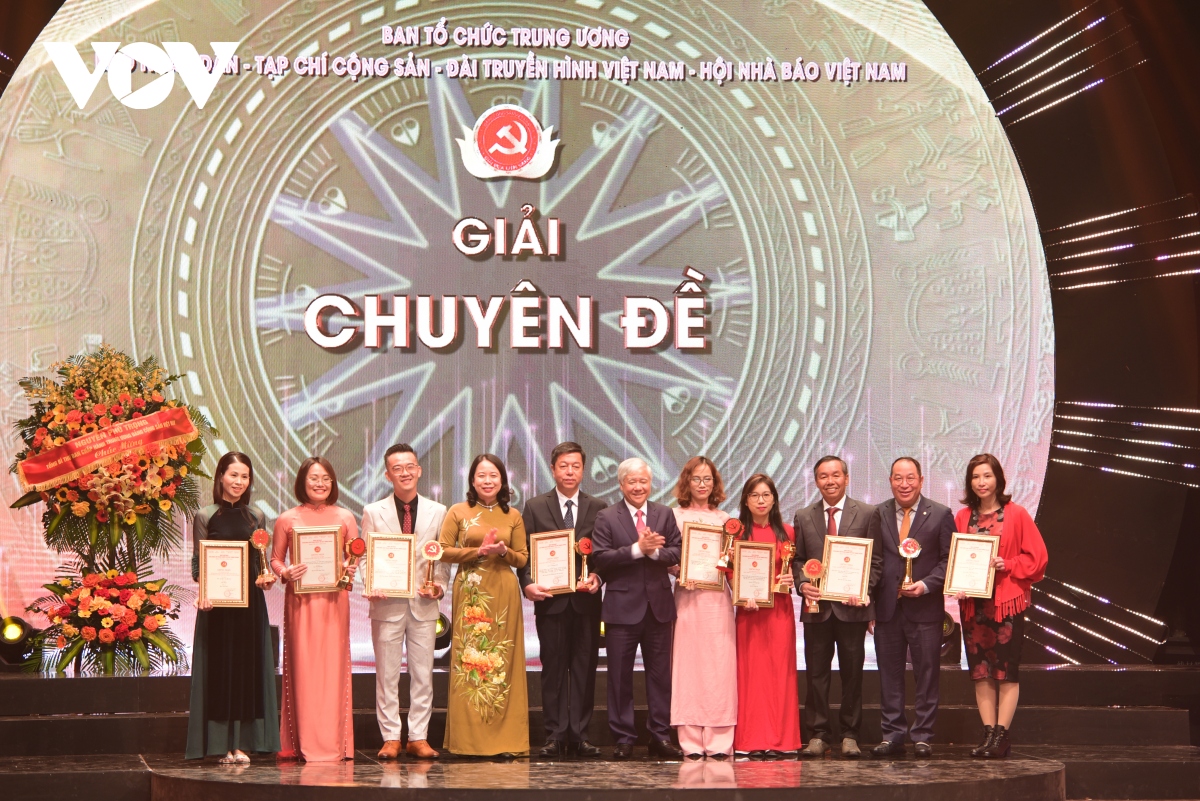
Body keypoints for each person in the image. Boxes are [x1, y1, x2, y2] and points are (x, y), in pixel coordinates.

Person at [186, 452, 280, 762]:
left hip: (249, 605)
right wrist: (203, 591)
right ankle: (218, 743)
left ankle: (242, 744)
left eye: (245, 476)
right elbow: (199, 562)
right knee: (219, 672)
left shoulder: (256, 517)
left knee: (245, 672)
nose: (239, 482)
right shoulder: (205, 515)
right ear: (221, 477)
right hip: (215, 606)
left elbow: (260, 562)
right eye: (233, 475)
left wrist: (265, 579)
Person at [954, 454, 1048, 759]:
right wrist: (956, 582)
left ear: (998, 479)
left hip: (1006, 604)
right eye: (975, 477)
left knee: (1005, 672)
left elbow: (1038, 559)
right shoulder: (962, 517)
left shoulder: (1016, 514)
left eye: (987, 476)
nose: (981, 482)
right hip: (974, 606)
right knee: (980, 672)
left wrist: (1007, 564)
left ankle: (1002, 736)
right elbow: (954, 558)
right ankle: (988, 734)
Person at [438, 454, 530, 757]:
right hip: (471, 591)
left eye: (493, 475)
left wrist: (503, 552)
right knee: (470, 663)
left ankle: (506, 742)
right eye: (481, 475)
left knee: (502, 662)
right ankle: (469, 742)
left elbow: (523, 558)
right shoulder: (458, 511)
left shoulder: (513, 515)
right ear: (472, 480)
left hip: (504, 591)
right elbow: (442, 550)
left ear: (502, 480)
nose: (487, 481)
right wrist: (478, 551)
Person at [591, 457, 683, 760]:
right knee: (619, 678)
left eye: (643, 481)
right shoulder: (606, 517)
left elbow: (677, 551)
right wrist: (636, 550)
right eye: (632, 482)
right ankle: (624, 738)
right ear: (621, 485)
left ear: (650, 483)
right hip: (621, 610)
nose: (638, 487)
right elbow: (601, 558)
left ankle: (660, 736)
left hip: (658, 608)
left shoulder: (664, 513)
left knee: (660, 677)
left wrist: (655, 553)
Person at [362, 444, 450, 761]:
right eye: (397, 468)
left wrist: (439, 586)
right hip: (386, 604)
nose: (405, 472)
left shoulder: (438, 511)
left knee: (423, 674)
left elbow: (441, 558)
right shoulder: (373, 511)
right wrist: (370, 584)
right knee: (387, 675)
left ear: (419, 470)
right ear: (388, 475)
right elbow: (365, 557)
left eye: (410, 466)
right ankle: (390, 738)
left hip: (424, 605)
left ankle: (418, 737)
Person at [518, 442, 606, 758]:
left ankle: (580, 735)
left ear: (583, 470)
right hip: (550, 602)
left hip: (586, 603)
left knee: (584, 668)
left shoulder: (599, 507)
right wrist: (527, 583)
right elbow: (525, 554)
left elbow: (603, 554)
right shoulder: (534, 507)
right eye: (564, 466)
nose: (570, 471)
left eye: (576, 466)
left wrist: (598, 577)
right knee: (553, 670)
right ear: (553, 469)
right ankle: (554, 735)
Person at [793, 456, 883, 759]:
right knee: (816, 675)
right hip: (816, 608)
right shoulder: (804, 516)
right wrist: (802, 584)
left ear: (846, 478)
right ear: (816, 481)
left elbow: (876, 561)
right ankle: (818, 734)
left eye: (835, 475)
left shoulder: (868, 513)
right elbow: (798, 559)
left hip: (852, 609)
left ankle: (850, 734)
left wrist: (864, 590)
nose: (829, 481)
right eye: (823, 476)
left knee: (852, 675)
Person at [272, 456, 359, 761]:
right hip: (301, 602)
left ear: (333, 483)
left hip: (334, 601)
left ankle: (336, 743)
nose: (320, 484)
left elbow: (354, 554)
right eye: (313, 478)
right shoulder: (287, 519)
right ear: (302, 482)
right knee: (303, 670)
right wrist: (285, 572)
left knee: (334, 670)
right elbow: (275, 560)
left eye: (325, 479)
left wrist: (349, 567)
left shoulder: (345, 517)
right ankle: (302, 743)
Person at [871, 456, 953, 758]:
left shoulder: (941, 514)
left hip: (926, 608)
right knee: (888, 675)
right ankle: (892, 734)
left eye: (910, 478)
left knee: (927, 674)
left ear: (921, 480)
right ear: (890, 481)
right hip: (887, 609)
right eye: (898, 478)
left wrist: (927, 584)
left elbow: (948, 559)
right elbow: (873, 560)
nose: (904, 484)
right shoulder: (878, 513)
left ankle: (923, 735)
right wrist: (869, 607)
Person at [669, 456, 736, 759]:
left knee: (719, 667)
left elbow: (732, 562)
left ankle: (720, 739)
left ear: (715, 483)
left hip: (718, 601)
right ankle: (691, 739)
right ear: (687, 481)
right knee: (688, 666)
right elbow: (667, 557)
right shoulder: (673, 516)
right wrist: (678, 570)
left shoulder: (726, 519)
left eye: (708, 479)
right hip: (687, 598)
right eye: (696, 478)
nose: (702, 484)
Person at [733, 473, 800, 756]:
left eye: (766, 495)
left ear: (774, 499)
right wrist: (740, 593)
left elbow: (795, 568)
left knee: (779, 674)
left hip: (779, 613)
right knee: (751, 675)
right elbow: (728, 571)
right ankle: (751, 740)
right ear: (746, 501)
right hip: (749, 613)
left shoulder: (788, 532)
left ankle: (780, 741)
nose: (761, 501)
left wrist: (792, 578)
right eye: (754, 495)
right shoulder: (736, 532)